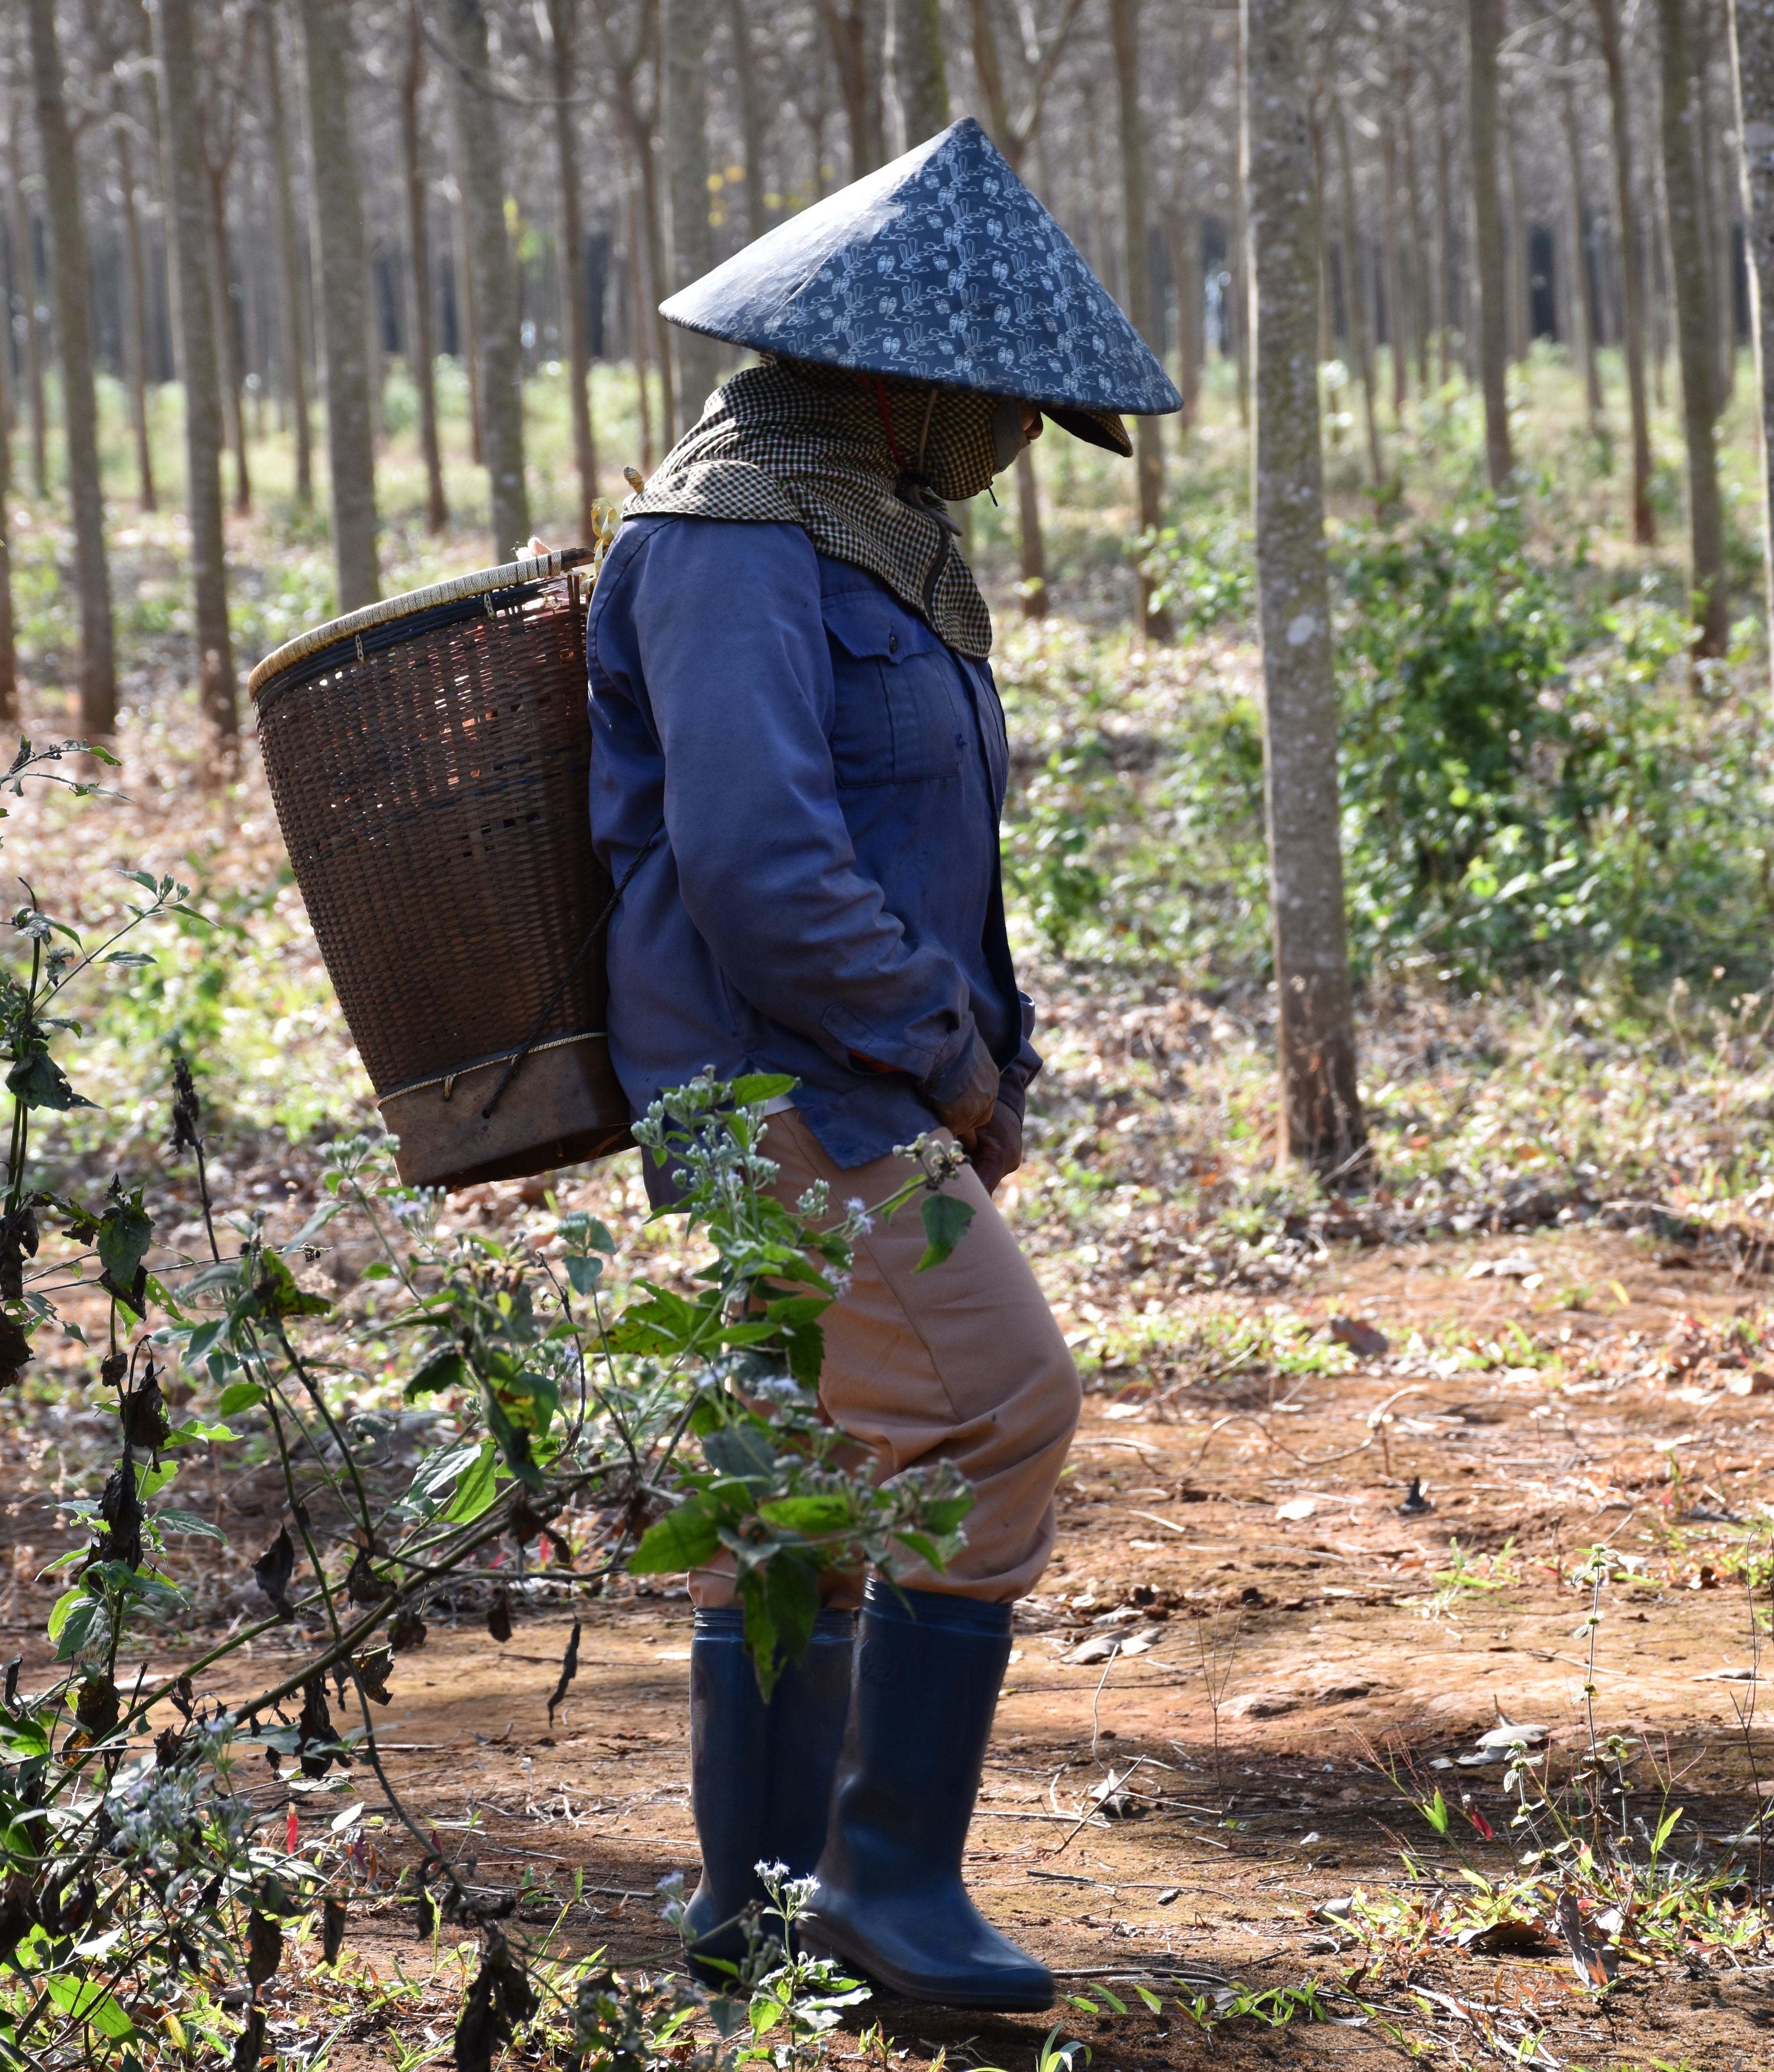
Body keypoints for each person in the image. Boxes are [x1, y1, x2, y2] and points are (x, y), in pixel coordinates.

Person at [585, 115, 1180, 2011]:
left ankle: (755, 1906)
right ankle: (888, 1880)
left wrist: (983, 1048)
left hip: (844, 1070)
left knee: (807, 1473)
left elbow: (917, 836)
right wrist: (937, 1057)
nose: (1016, 449)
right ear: (894, 378)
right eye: (1003, 410)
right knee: (998, 1406)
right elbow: (762, 867)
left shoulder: (855, 531)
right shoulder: (733, 544)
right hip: (786, 1082)